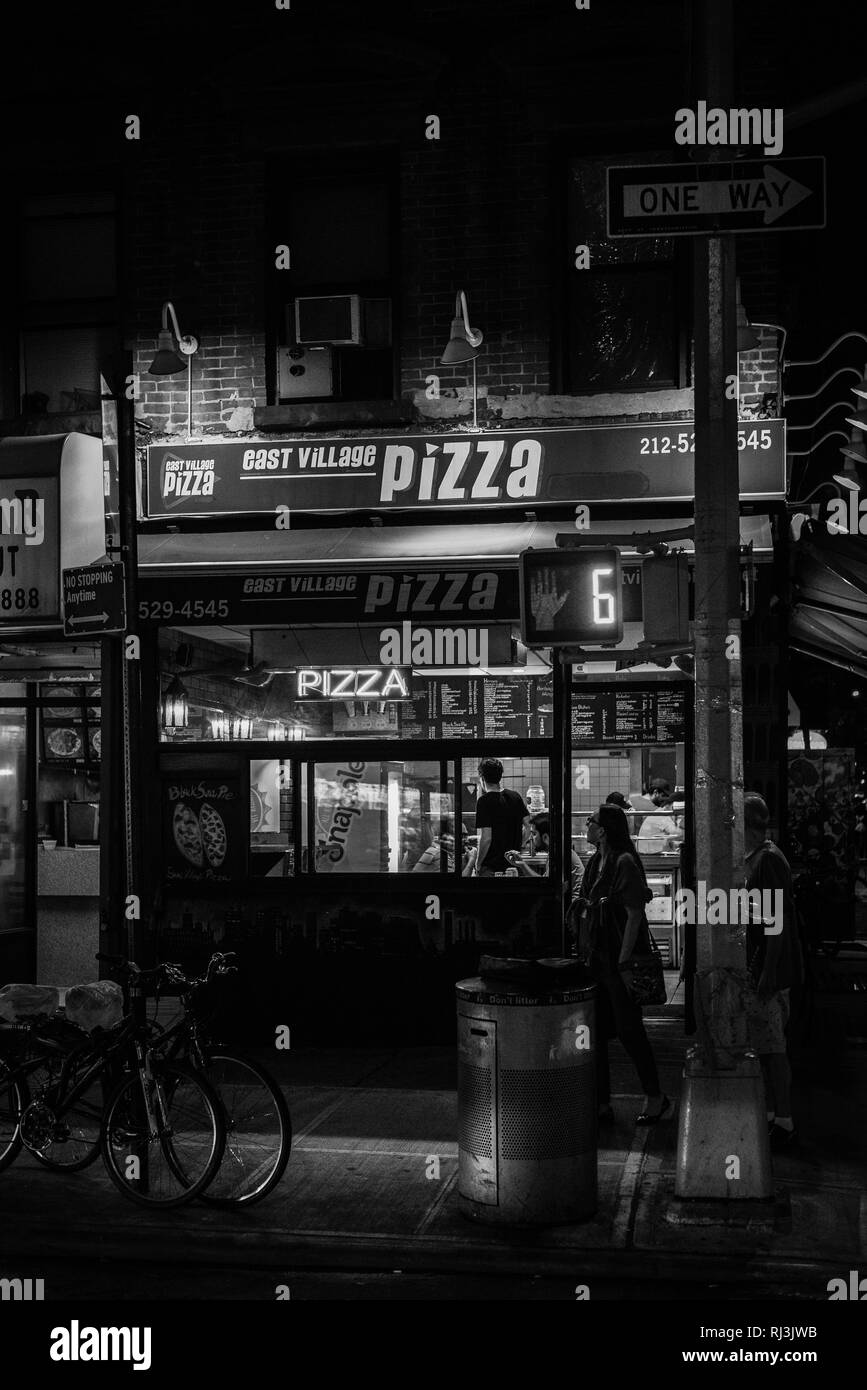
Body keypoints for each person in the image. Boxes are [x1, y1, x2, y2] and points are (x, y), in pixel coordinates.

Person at [574, 803, 669, 1125]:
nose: (587, 825)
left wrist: (625, 960)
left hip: (619, 959)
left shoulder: (624, 862)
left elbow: (634, 915)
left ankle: (655, 1096)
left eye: (591, 821)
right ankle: (601, 1103)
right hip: (598, 957)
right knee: (596, 1031)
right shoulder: (595, 861)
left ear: (603, 830)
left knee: (630, 1031)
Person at [743, 792, 803, 1150]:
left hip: (769, 969)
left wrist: (767, 971)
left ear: (748, 825)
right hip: (760, 964)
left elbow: (776, 921)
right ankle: (772, 1114)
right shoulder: (758, 858)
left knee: (774, 1048)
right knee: (765, 1048)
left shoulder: (768, 861)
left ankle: (785, 1120)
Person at [504, 813, 585, 901]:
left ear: (545, 837)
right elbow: (544, 883)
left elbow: (547, 888)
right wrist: (522, 864)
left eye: (534, 834)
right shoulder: (556, 852)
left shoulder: (560, 854)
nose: (530, 838)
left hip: (572, 909)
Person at [474, 757, 530, 877]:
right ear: (500, 776)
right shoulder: (515, 796)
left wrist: (478, 864)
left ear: (482, 777)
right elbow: (529, 826)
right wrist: (521, 845)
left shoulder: (483, 801)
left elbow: (486, 839)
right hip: (514, 865)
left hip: (491, 869)